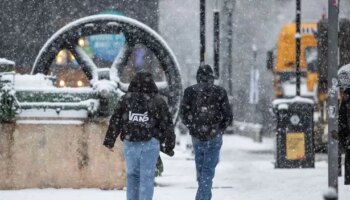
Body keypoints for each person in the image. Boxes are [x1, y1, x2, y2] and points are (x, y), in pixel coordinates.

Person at [103, 72, 175, 200]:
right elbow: (167, 124)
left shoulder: (125, 99)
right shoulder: (158, 101)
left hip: (130, 143)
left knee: (132, 176)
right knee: (147, 177)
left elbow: (116, 120)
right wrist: (169, 145)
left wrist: (110, 140)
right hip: (150, 143)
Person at [180, 64, 233, 200]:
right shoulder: (220, 92)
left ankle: (203, 196)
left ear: (198, 77)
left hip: (197, 136)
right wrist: (219, 129)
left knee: (201, 170)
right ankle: (203, 197)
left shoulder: (189, 91)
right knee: (208, 170)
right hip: (214, 136)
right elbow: (228, 116)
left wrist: (192, 127)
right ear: (212, 77)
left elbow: (184, 114)